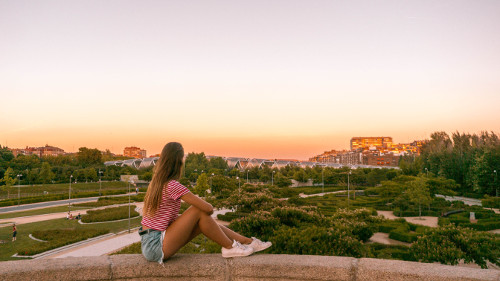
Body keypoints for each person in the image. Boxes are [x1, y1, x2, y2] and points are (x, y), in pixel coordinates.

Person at [140, 142, 271, 264]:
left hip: (150, 242)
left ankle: (248, 242)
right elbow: (208, 209)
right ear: (179, 161)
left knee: (203, 222)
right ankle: (230, 247)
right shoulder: (173, 185)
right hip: (155, 245)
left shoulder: (157, 183)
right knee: (198, 210)